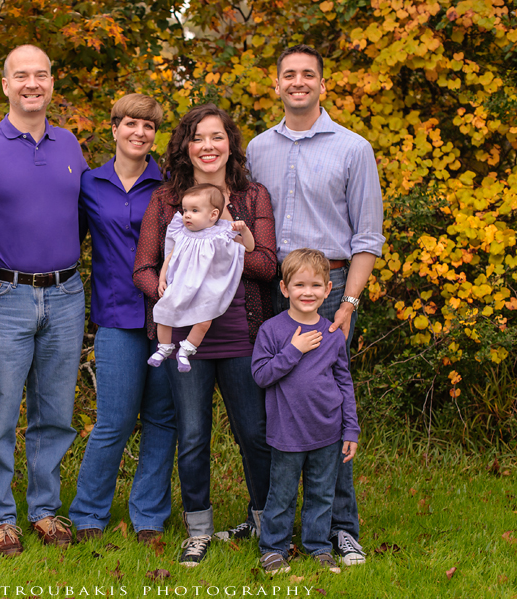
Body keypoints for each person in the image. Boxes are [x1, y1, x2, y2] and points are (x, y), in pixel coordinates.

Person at [246, 43, 384, 566]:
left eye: (308, 75)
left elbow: (367, 237)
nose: (298, 82)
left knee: (327, 405)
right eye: (289, 75)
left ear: (323, 85)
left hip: (327, 290)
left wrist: (347, 301)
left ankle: (339, 528)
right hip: (271, 287)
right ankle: (271, 520)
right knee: (274, 401)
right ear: (276, 84)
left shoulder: (354, 148)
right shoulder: (258, 149)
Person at [133, 104, 276, 567]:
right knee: (193, 435)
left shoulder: (252, 198)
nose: (208, 146)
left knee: (252, 432)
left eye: (217, 137)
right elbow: (144, 268)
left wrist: (227, 238)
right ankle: (199, 528)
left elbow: (268, 266)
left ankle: (263, 520)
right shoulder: (166, 200)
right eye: (198, 138)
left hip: (242, 332)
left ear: (230, 143)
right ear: (185, 147)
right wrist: (172, 297)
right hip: (185, 340)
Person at [0, 44, 88, 555]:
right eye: (22, 76)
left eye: (41, 75)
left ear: (52, 82)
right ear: (6, 85)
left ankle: (44, 510)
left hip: (66, 292)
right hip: (4, 293)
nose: (32, 84)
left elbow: (81, 216)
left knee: (55, 410)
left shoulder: (69, 144)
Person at [69, 94, 176, 545]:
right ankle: (88, 514)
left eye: (148, 126)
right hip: (116, 316)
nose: (139, 133)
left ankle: (149, 516)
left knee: (162, 418)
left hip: (170, 318)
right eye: (131, 123)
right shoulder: (89, 184)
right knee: (113, 418)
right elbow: (68, 241)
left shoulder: (171, 186)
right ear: (113, 128)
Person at [252, 249, 360, 575]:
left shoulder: (332, 334)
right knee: (281, 496)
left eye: (315, 285)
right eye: (299, 285)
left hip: (327, 432)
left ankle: (318, 548)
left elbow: (344, 384)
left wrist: (351, 429)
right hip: (287, 433)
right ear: (284, 289)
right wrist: (293, 351)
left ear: (329, 289)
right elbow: (261, 375)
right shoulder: (272, 331)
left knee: (321, 496)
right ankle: (273, 549)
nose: (307, 292)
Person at [148, 183, 255, 372]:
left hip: (207, 288)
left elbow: (249, 247)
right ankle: (164, 347)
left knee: (204, 320)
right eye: (185, 209)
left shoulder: (222, 232)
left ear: (213, 215)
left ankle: (187, 349)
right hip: (181, 284)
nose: (187, 214)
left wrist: (244, 230)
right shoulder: (182, 232)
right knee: (164, 312)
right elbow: (170, 257)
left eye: (194, 210)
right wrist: (162, 278)